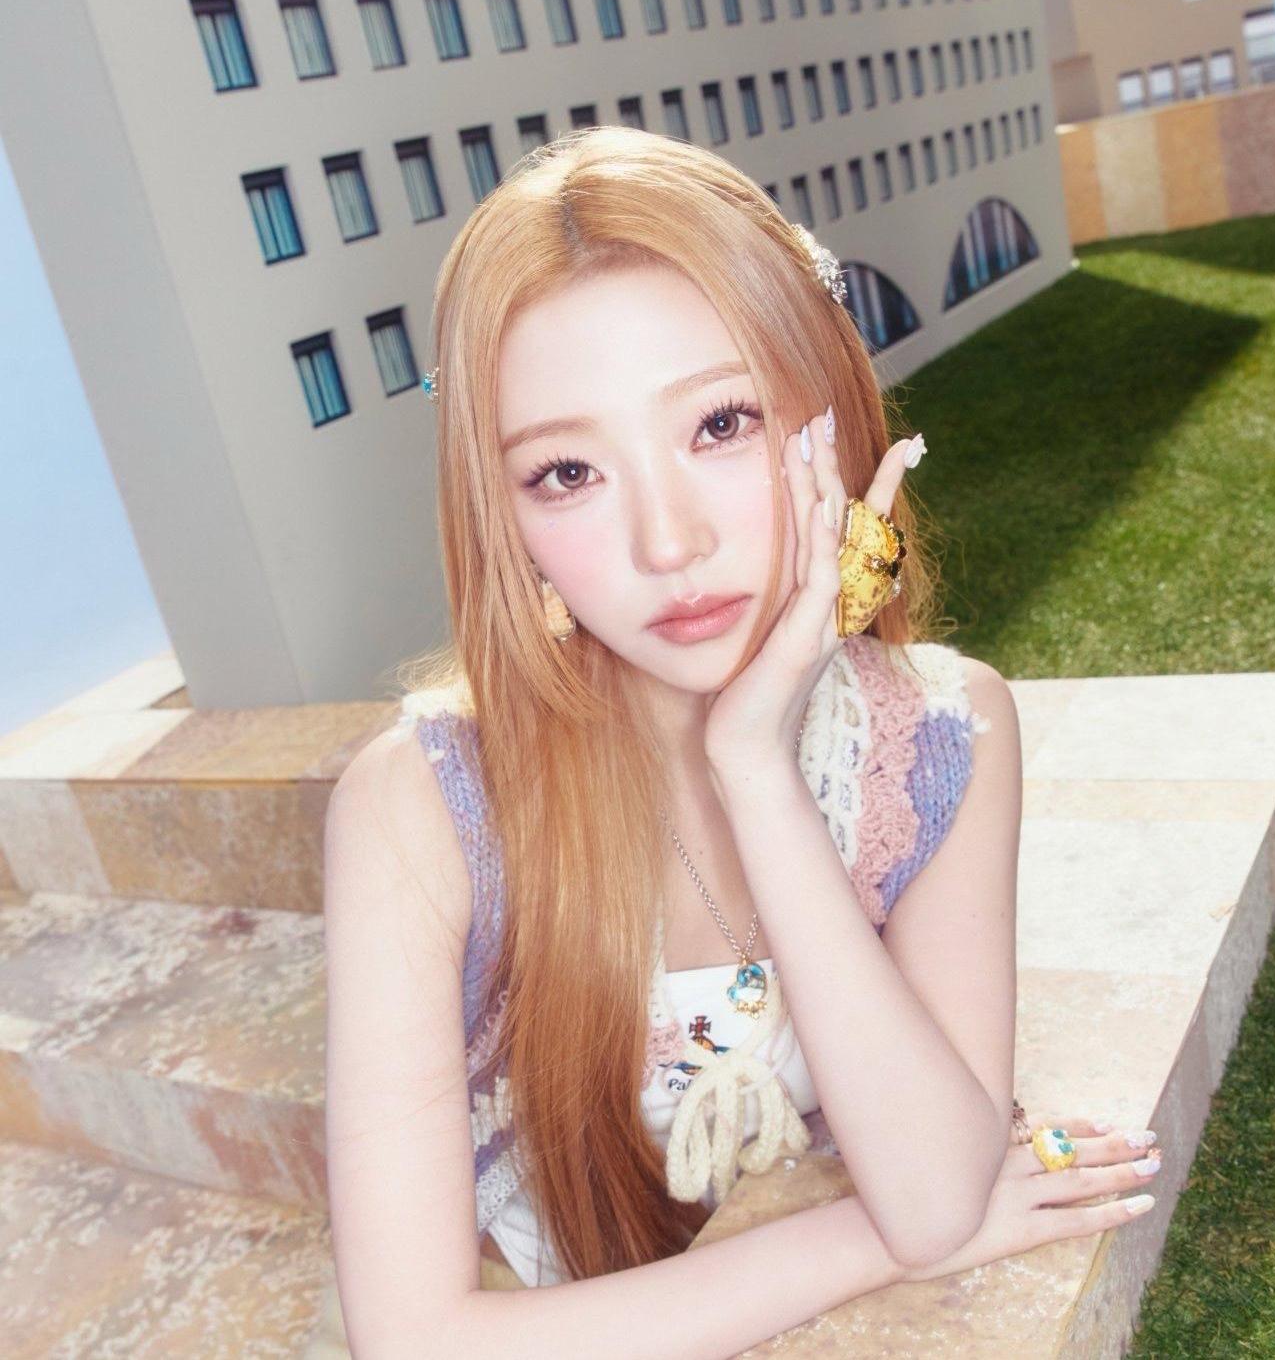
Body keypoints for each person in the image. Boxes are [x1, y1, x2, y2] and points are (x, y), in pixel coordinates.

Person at [322, 125, 1162, 1358]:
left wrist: (754, 766)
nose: (669, 542)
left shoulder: (938, 738)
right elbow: (413, 1341)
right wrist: (866, 1239)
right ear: (505, 518)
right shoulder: (420, 807)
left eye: (720, 424)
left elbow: (934, 1185)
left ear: (828, 411)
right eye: (566, 473)